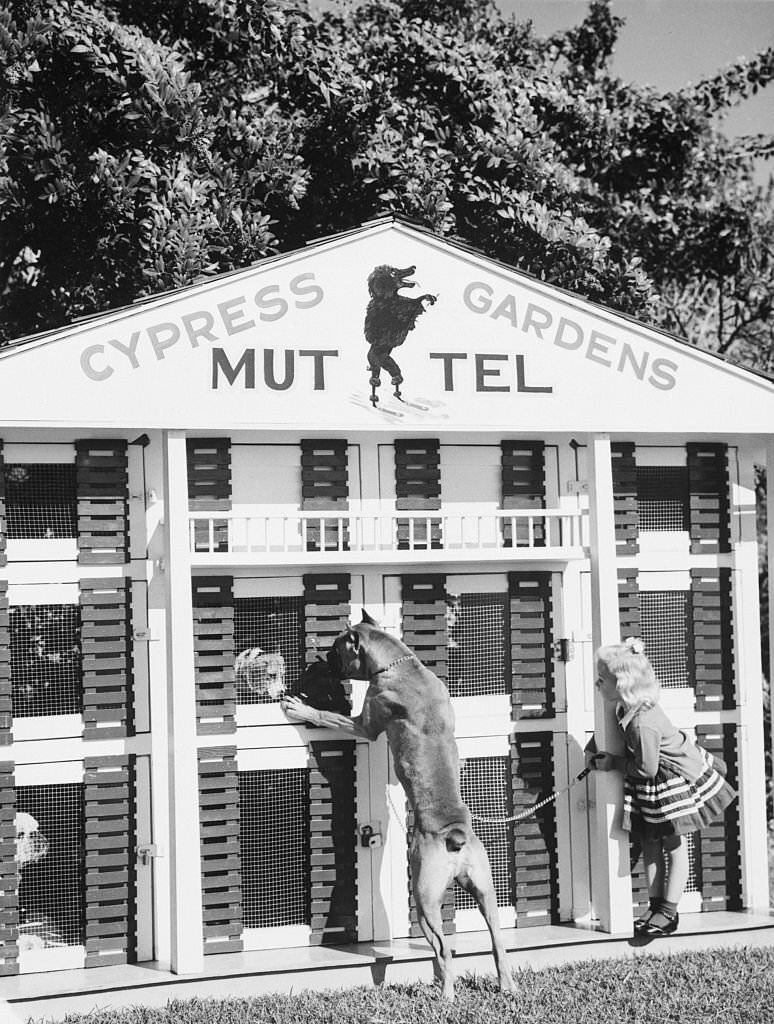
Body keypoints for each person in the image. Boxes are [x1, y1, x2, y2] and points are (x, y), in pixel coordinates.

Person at [587, 637, 736, 937]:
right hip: (653, 784)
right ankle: (655, 906)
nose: (596, 684)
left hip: (670, 780)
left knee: (673, 845)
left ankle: (669, 911)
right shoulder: (624, 709)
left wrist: (613, 763)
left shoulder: (643, 723)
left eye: (601, 679)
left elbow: (646, 767)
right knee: (649, 841)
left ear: (622, 684)